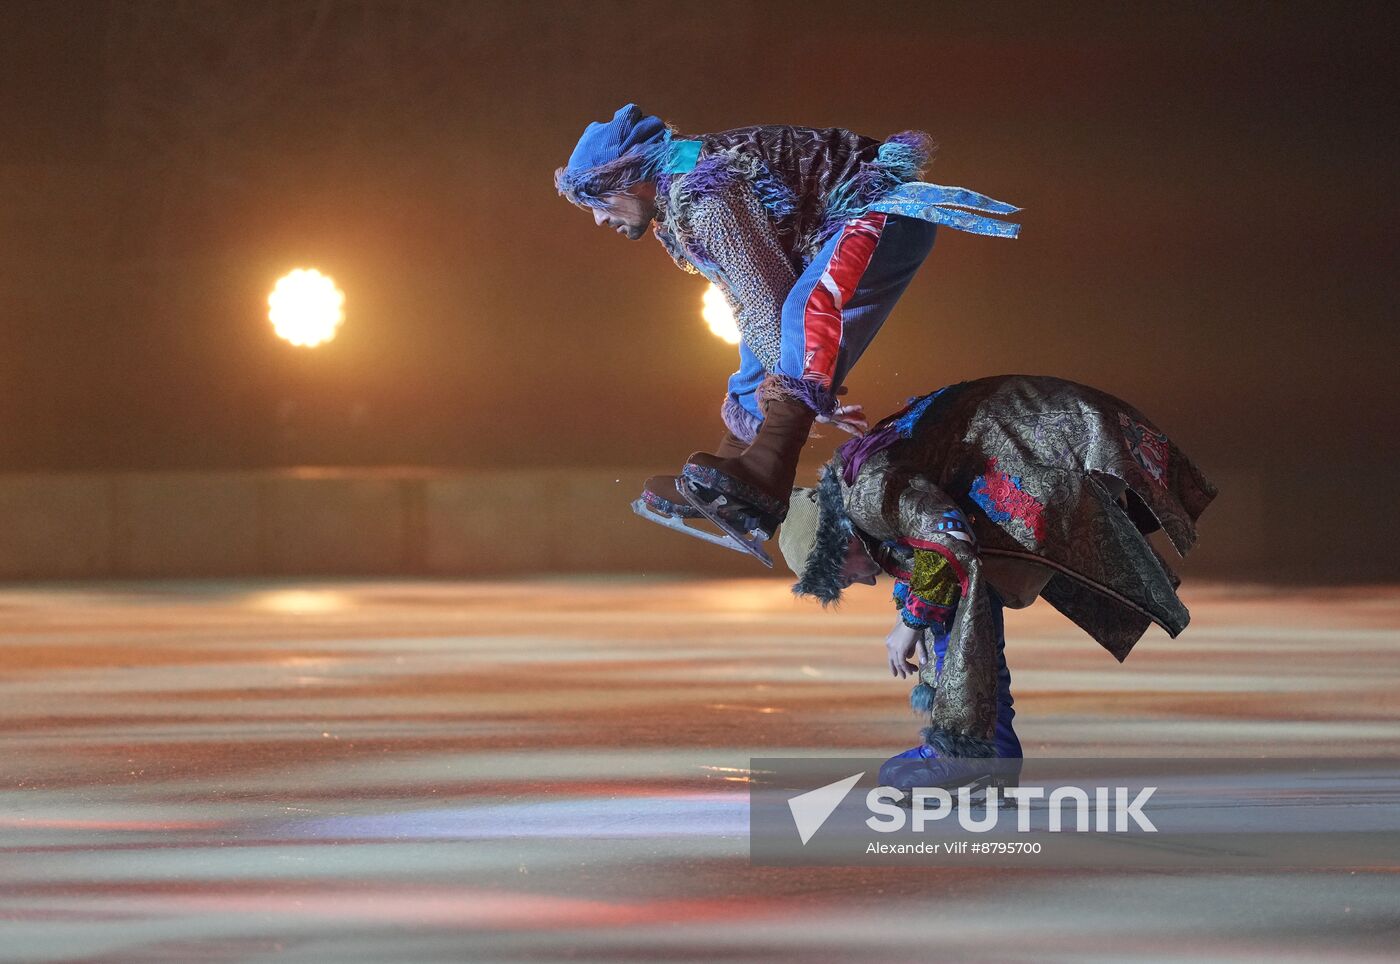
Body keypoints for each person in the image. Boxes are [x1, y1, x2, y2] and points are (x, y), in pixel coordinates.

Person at [555, 104, 1022, 547]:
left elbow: (766, 297)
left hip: (883, 215)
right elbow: (749, 304)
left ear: (632, 178)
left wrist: (807, 392)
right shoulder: (676, 204)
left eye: (599, 201)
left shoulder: (703, 194)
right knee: (755, 347)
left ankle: (768, 470)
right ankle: (736, 471)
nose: (599, 219)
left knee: (803, 310)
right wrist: (791, 388)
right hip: (837, 231)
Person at [776, 375, 1217, 789]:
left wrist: (911, 621)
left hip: (1054, 443)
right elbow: (926, 552)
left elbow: (949, 534)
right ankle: (988, 753)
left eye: (843, 578)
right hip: (1046, 443)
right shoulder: (864, 498)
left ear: (839, 544)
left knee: (955, 588)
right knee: (951, 589)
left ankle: (973, 755)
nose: (861, 584)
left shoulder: (869, 493)